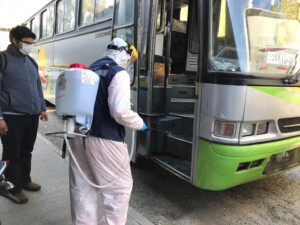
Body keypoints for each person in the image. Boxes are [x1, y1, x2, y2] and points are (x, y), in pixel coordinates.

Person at [69, 38, 147, 225]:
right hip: (105, 141)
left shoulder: (90, 70)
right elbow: (120, 112)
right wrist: (139, 123)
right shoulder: (118, 74)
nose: (130, 63)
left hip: (78, 138)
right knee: (118, 191)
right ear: (125, 54)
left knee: (82, 188)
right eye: (130, 58)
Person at [0, 26, 48, 204]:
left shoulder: (31, 61)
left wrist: (42, 108)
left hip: (31, 116)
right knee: (12, 152)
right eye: (27, 43)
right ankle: (13, 187)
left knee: (26, 150)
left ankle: (25, 181)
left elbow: (37, 87)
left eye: (32, 43)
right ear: (14, 40)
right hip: (11, 116)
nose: (30, 46)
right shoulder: (3, 59)